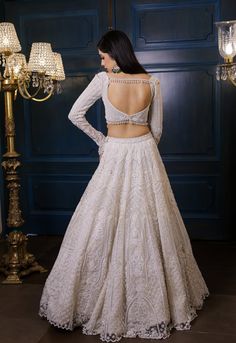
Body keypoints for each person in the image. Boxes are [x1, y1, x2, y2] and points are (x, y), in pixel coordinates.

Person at [39, 30, 209, 341]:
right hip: (145, 152)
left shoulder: (104, 81)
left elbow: (75, 114)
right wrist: (142, 149)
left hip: (116, 152)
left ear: (115, 54)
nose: (101, 63)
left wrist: (104, 142)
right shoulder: (152, 82)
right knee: (149, 223)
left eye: (103, 57)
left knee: (102, 221)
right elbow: (157, 130)